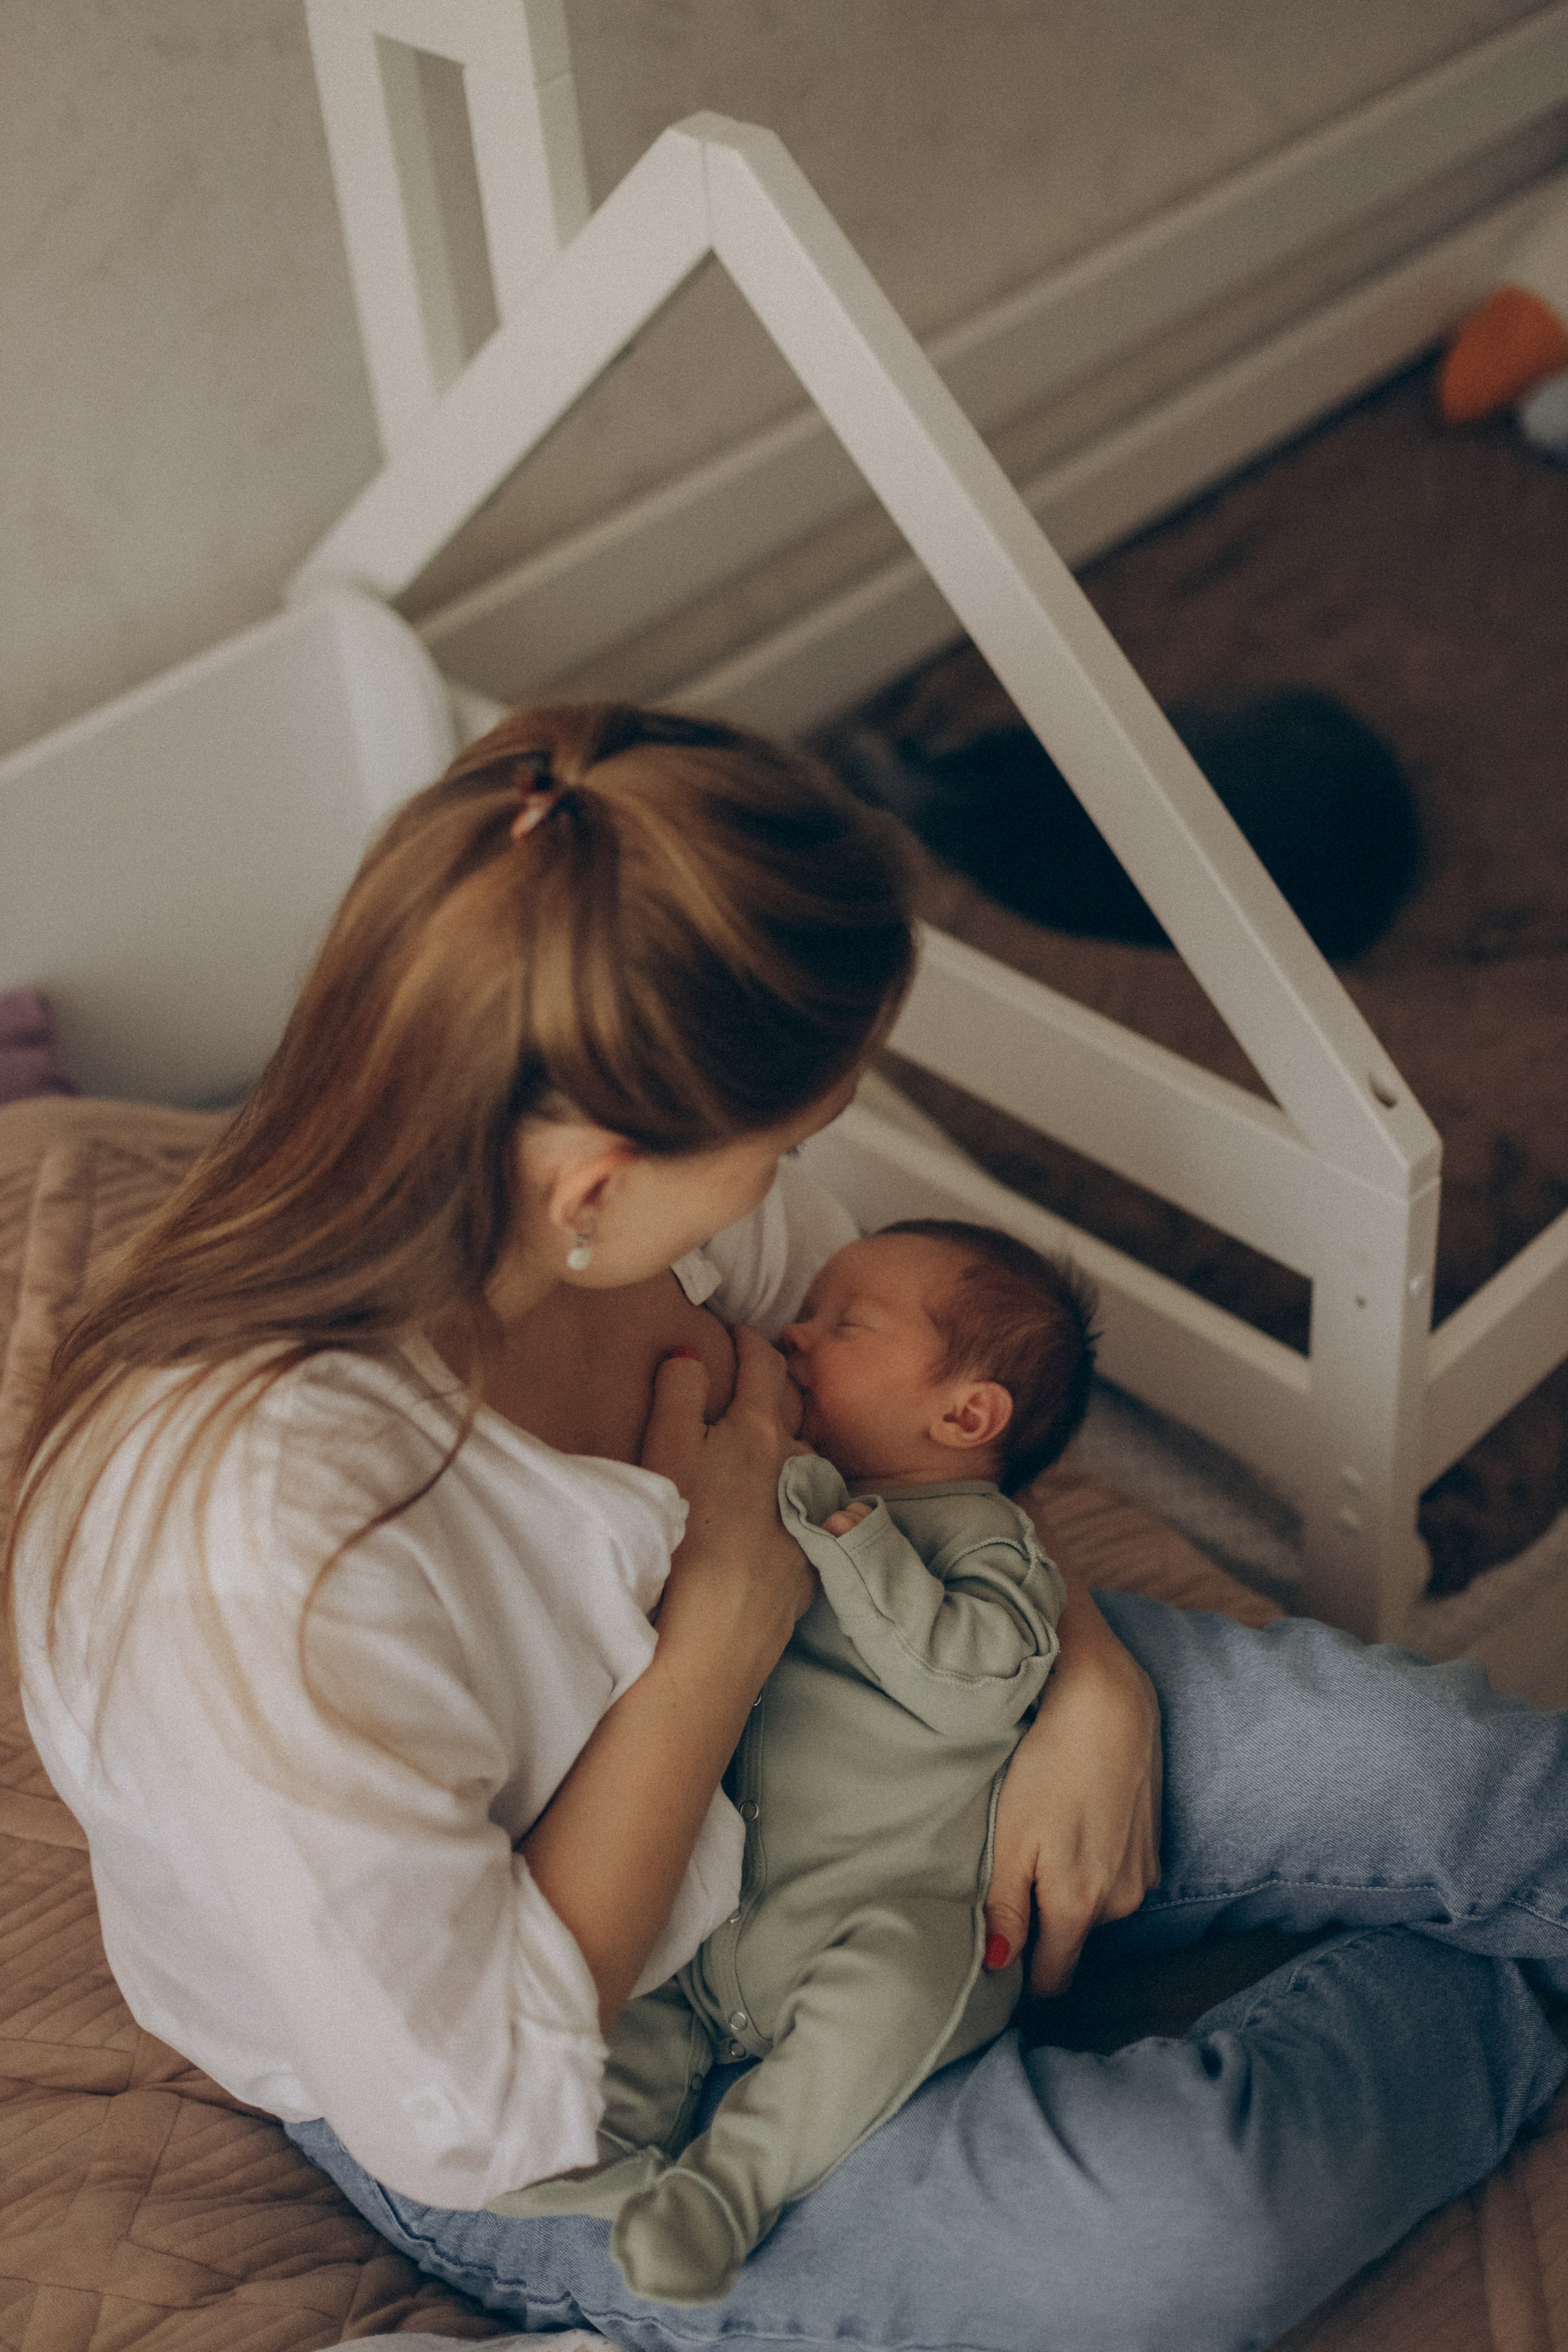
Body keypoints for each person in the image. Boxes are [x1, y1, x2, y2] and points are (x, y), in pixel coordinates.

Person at [6, 699, 1568, 2352]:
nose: (788, 1189)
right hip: (602, 2061)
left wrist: (1084, 1673)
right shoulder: (266, 1551)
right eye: (783, 1144)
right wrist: (726, 1621)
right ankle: (1509, 2011)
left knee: (1449, 1775)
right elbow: (471, 2103)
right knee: (1180, 2238)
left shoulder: (629, 1246)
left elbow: (911, 1450)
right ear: (596, 1184)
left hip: (873, 1704)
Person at [492, 1222, 1095, 2303]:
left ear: (965, 1414)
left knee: (911, 1986)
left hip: (871, 1908)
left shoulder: (983, 1538)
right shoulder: (786, 1473)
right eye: (807, 1312)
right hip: (703, 1901)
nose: (794, 1334)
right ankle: (609, 2172)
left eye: (843, 1324)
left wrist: (859, 1544)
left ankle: (730, 2189)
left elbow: (980, 1683)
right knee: (604, 2034)